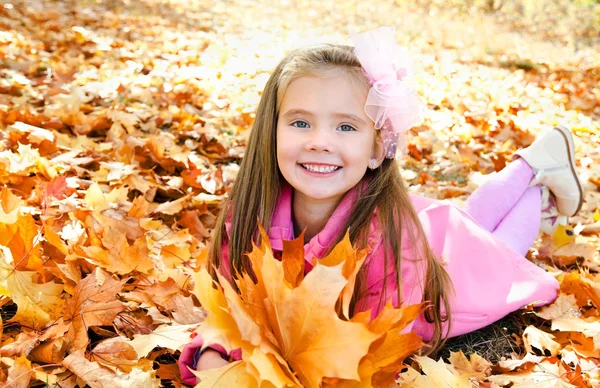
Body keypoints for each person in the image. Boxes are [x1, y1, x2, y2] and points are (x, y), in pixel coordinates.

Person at [178, 26, 583, 385]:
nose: (320, 141)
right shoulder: (249, 213)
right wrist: (213, 355)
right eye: (300, 122)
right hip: (427, 230)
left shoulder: (390, 241)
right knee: (474, 217)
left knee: (504, 251)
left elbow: (362, 352)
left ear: (377, 147)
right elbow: (230, 313)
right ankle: (537, 167)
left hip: (451, 274)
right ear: (272, 131)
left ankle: (535, 183)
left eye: (346, 126)